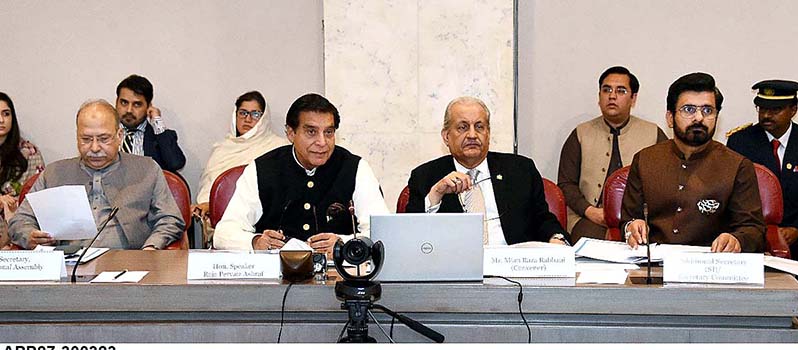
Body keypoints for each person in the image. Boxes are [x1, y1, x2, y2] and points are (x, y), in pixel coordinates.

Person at [213, 93, 388, 254]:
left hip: (339, 278)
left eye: (328, 132)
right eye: (311, 132)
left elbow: (383, 232)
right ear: (291, 133)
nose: (322, 142)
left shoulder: (355, 168)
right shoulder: (261, 169)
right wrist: (256, 241)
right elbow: (223, 233)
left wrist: (344, 243)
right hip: (277, 278)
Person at [8, 100, 185, 250]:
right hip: (67, 269)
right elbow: (20, 221)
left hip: (130, 267)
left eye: (103, 139)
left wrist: (151, 247)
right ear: (77, 137)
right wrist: (30, 236)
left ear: (119, 135)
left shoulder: (146, 169)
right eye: (86, 139)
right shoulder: (54, 173)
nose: (94, 148)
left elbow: (170, 219)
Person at [621, 73, 765, 253]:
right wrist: (632, 227)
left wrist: (737, 240)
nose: (699, 118)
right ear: (670, 117)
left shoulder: (738, 166)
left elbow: (753, 229)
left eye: (708, 110)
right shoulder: (645, 160)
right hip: (654, 266)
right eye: (688, 109)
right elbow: (627, 219)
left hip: (710, 267)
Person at [406, 96, 569, 245]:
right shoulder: (426, 177)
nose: (472, 135)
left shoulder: (520, 170)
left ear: (488, 133)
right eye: (462, 127)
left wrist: (556, 238)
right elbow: (410, 236)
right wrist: (436, 194)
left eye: (479, 127)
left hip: (513, 268)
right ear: (446, 136)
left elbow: (542, 219)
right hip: (455, 270)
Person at [558, 66, 667, 243]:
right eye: (606, 90)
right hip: (589, 218)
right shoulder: (580, 134)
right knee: (589, 246)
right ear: (599, 97)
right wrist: (589, 211)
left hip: (640, 221)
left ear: (633, 98)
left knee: (647, 246)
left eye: (621, 91)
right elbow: (566, 183)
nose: (612, 96)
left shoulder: (653, 134)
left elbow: (665, 184)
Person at [727, 79, 798, 259]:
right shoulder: (740, 142)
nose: (766, 115)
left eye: (775, 110)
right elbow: (730, 194)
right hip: (753, 242)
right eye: (762, 109)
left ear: (793, 110)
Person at [192, 91, 287, 220]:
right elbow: (209, 190)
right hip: (222, 219)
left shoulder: (278, 148)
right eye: (243, 113)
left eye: (255, 114)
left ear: (264, 118)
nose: (247, 119)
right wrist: (209, 205)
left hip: (265, 219)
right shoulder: (221, 149)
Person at [0, 93, 45, 247]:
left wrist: (11, 203)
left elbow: (39, 198)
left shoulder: (29, 152)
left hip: (17, 227)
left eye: (6, 114)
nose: (1, 120)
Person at [115, 74, 186, 172]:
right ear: (116, 102)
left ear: (148, 106)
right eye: (124, 102)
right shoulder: (104, 133)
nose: (129, 110)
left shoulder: (159, 137)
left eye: (137, 104)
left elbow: (176, 163)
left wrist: (157, 122)